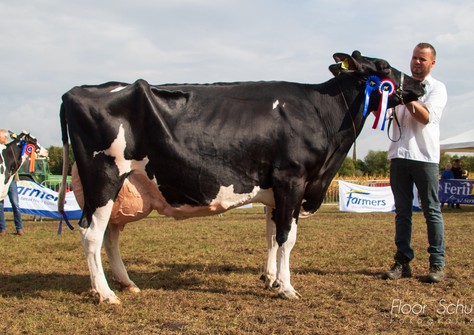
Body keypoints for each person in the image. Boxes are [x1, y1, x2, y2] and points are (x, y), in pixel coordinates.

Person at [383, 43, 448, 283]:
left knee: (431, 209)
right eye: (414, 58)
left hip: (424, 157)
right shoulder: (399, 86)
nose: (416, 63)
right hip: (399, 156)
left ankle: (437, 263)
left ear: (432, 63)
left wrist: (407, 98)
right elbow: (389, 114)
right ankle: (402, 261)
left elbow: (425, 118)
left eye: (422, 59)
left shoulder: (437, 88)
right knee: (402, 212)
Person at [0, 128, 24, 236]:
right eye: (4, 136)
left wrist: (21, 136)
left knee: (15, 203)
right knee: (0, 204)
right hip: (1, 181)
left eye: (6, 136)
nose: (6, 138)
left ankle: (19, 228)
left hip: (11, 180)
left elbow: (16, 142)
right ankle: (2, 229)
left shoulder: (9, 148)